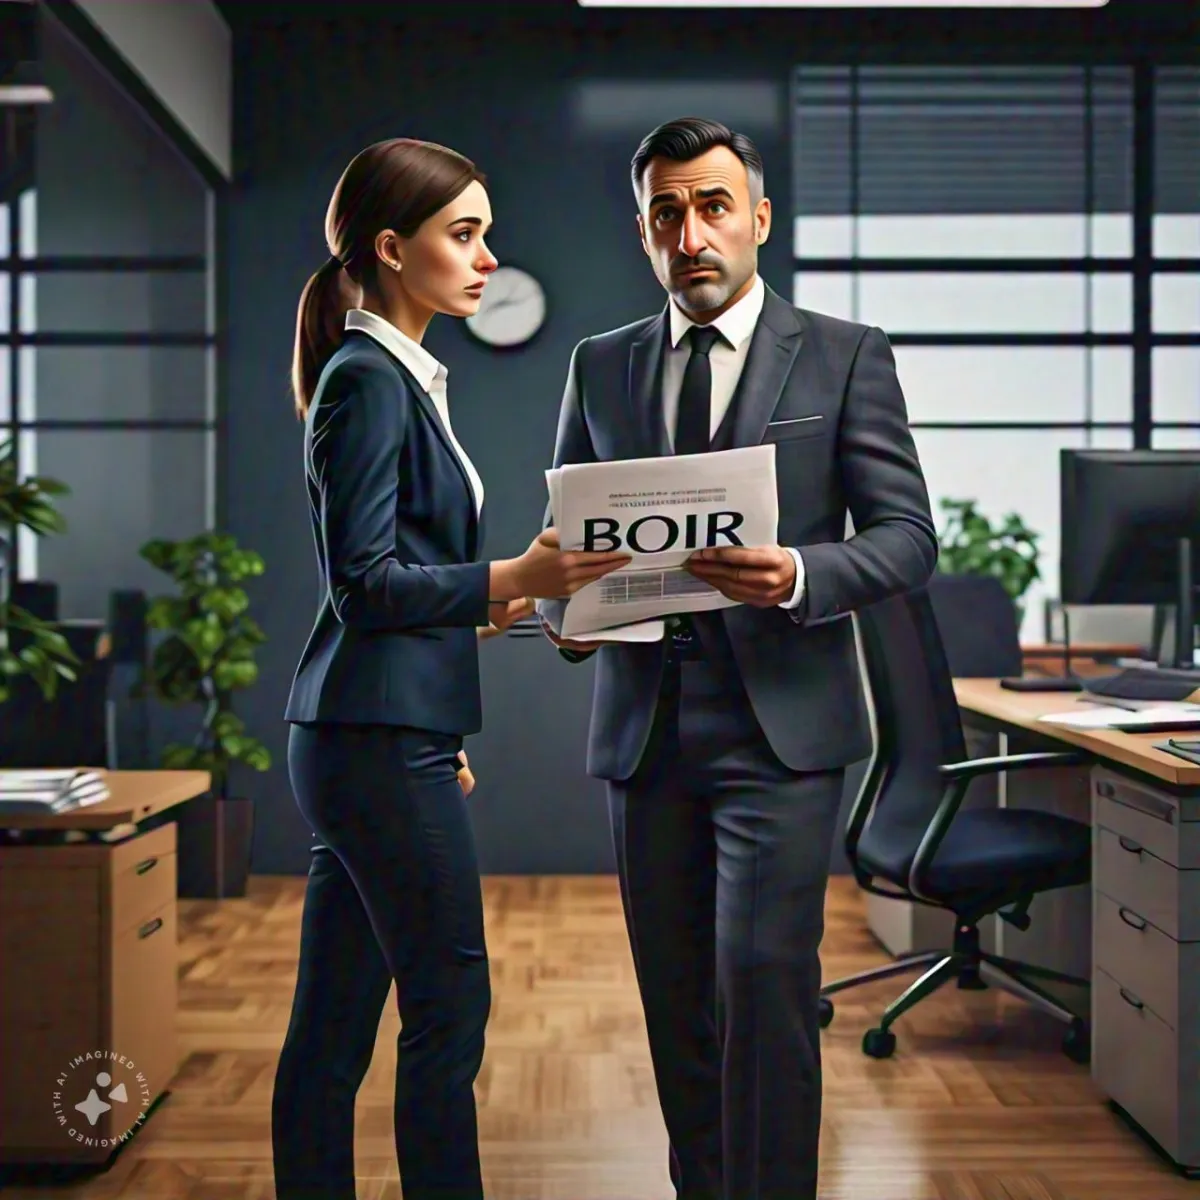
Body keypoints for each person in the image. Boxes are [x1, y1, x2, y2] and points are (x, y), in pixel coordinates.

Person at [541, 117, 938, 1200]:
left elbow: (908, 539)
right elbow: (568, 543)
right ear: (644, 232)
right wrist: (563, 611)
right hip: (646, 729)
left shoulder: (847, 353)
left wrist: (803, 575)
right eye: (666, 213)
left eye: (713, 207)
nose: (691, 233)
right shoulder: (600, 365)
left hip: (782, 728)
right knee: (678, 1004)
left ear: (759, 220)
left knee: (764, 985)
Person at [272, 137, 629, 1200]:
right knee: (448, 1009)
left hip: (379, 734)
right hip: (374, 742)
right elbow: (365, 585)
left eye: (485, 234)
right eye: (463, 234)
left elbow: (397, 589)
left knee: (335, 1028)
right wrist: (507, 570)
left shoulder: (396, 374)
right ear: (391, 249)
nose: (486, 257)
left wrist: (498, 604)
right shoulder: (368, 381)